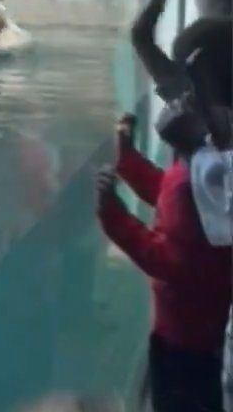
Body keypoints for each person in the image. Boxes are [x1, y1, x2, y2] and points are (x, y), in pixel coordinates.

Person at [96, 112, 230, 412]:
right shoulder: (201, 170)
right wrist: (128, 159)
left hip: (184, 344)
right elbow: (165, 191)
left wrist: (111, 212)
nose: (179, 104)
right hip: (202, 335)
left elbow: (164, 257)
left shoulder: (200, 178)